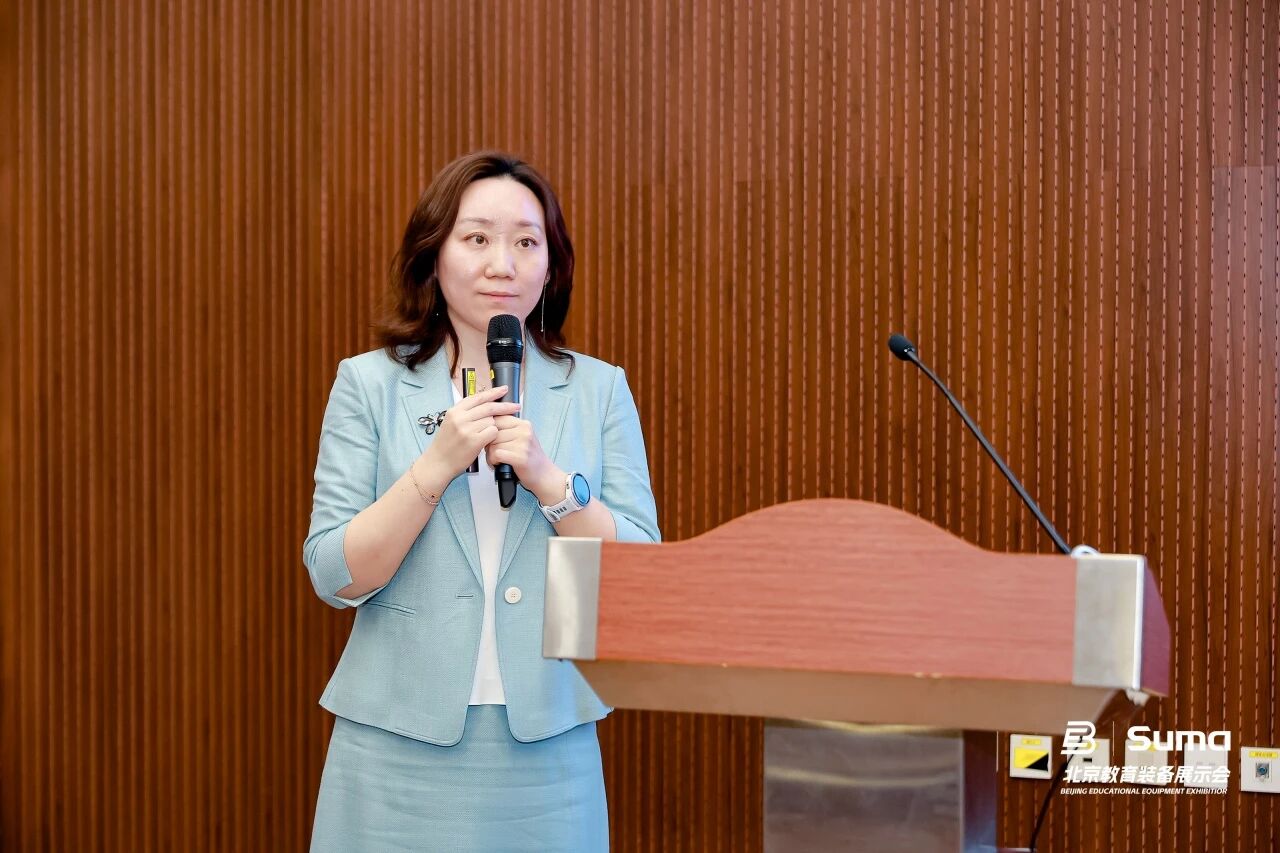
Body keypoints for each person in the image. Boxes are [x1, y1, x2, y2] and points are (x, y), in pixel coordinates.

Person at [303, 151, 661, 851]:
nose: (504, 263)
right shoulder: (369, 385)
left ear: (551, 268)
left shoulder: (597, 389)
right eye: (477, 238)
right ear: (433, 256)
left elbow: (640, 573)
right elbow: (333, 573)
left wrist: (549, 481)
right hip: (392, 744)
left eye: (527, 242)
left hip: (548, 747)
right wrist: (435, 466)